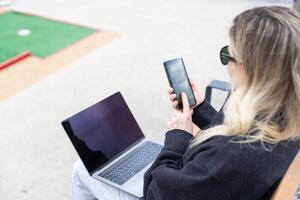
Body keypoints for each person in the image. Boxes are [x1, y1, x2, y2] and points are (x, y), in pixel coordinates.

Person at [71, 6, 300, 200]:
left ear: (251, 69)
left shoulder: (227, 159)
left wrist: (178, 137)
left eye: (229, 55)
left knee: (83, 170)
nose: (227, 65)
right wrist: (200, 110)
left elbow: (155, 192)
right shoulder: (284, 117)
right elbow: (234, 134)